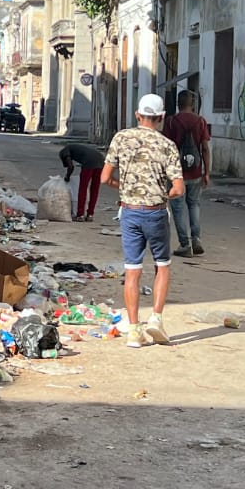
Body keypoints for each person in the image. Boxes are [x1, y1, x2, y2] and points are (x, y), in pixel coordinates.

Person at [101, 93, 185, 348]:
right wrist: (162, 194)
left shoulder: (121, 138)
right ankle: (156, 320)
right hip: (156, 211)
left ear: (138, 115)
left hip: (129, 211)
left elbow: (104, 178)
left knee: (132, 270)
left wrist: (123, 188)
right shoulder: (167, 145)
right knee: (162, 265)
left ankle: (134, 330)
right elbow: (179, 188)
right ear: (161, 118)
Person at [163, 90, 211, 257]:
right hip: (196, 172)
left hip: (176, 173)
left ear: (178, 103)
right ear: (193, 104)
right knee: (194, 204)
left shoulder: (171, 122)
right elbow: (204, 148)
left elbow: (166, 148)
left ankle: (185, 244)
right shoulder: (201, 122)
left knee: (177, 208)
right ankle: (196, 238)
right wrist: (206, 172)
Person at [60, 143, 106, 221]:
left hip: (88, 162)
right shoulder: (71, 148)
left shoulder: (64, 152)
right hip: (101, 160)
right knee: (95, 189)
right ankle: (90, 215)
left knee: (83, 188)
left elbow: (70, 167)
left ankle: (80, 215)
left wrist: (67, 177)